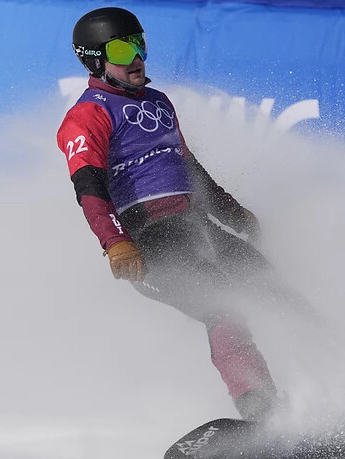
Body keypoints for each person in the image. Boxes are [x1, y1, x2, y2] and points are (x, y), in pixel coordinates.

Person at [57, 7, 279, 420]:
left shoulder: (158, 102)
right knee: (223, 305)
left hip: (195, 226)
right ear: (95, 61)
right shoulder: (87, 116)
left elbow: (188, 166)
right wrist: (116, 242)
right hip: (149, 241)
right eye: (121, 50)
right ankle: (259, 407)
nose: (136, 58)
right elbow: (89, 189)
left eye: (139, 44)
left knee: (274, 286)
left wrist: (232, 214)